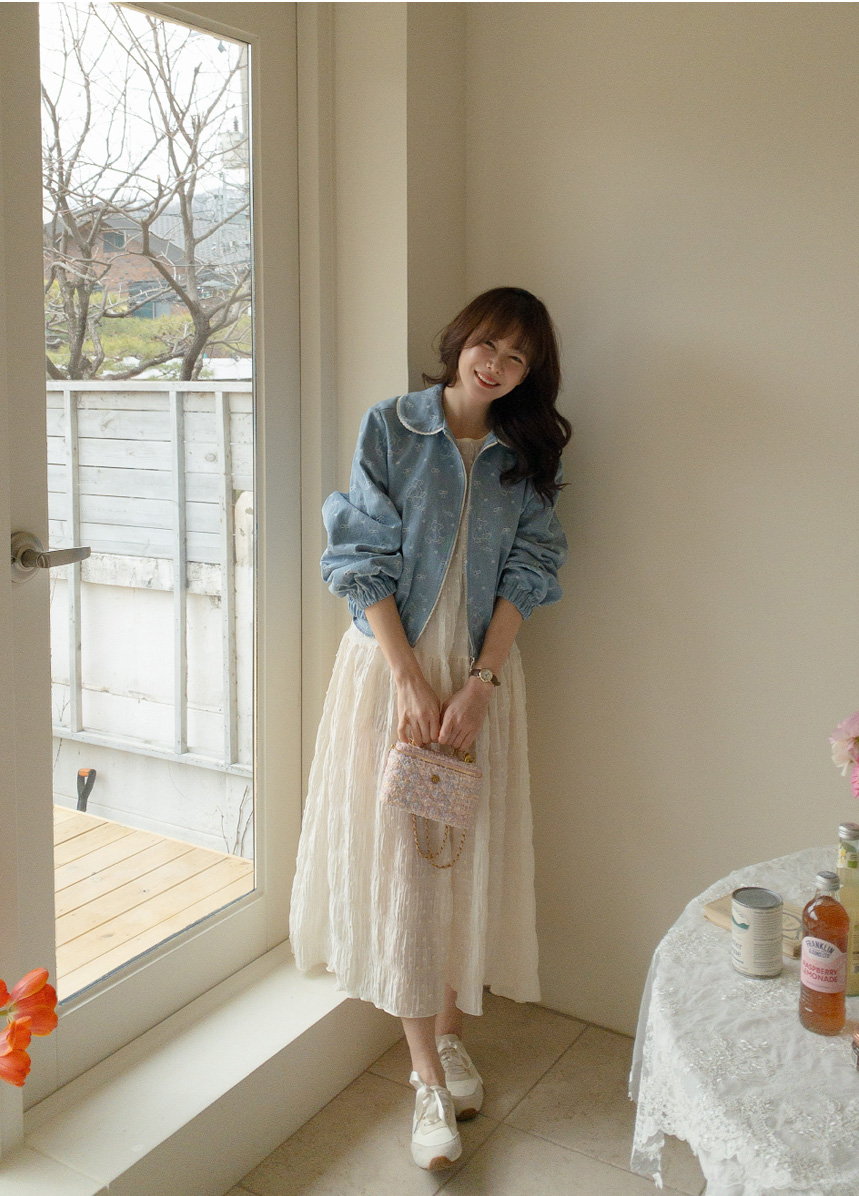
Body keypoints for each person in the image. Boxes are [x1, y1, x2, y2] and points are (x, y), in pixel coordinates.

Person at [289, 286, 570, 1170]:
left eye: (517, 357)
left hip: (479, 685)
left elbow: (531, 566)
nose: (496, 364)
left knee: (462, 860)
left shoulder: (521, 455)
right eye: (488, 343)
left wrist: (480, 684)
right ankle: (425, 1080)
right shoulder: (392, 428)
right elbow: (357, 556)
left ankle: (449, 1037)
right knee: (408, 868)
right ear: (459, 341)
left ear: (530, 374)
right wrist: (408, 680)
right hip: (394, 677)